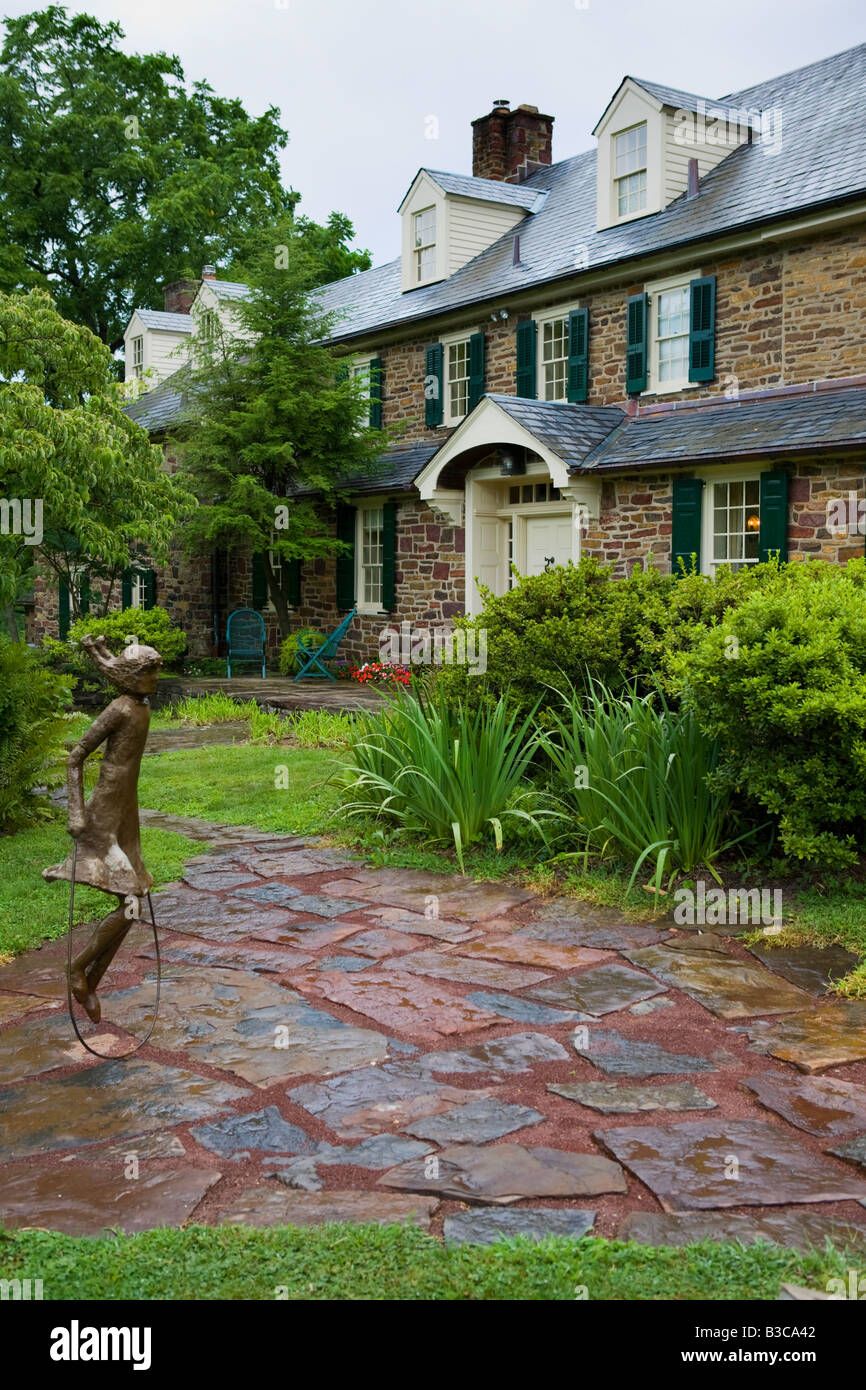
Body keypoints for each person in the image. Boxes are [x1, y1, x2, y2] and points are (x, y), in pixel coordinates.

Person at [43, 634, 162, 1022]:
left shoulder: (141, 706)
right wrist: (75, 813)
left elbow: (114, 663)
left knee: (131, 905)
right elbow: (75, 759)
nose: (155, 677)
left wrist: (102, 652)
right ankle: (79, 970)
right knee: (130, 903)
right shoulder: (120, 709)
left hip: (125, 813)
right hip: (102, 816)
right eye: (149, 671)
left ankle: (88, 979)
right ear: (132, 676)